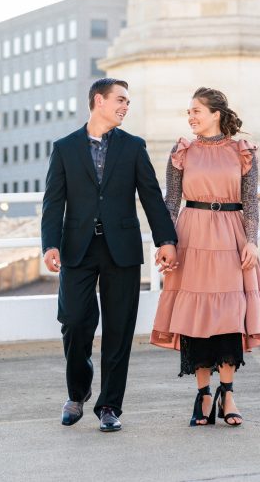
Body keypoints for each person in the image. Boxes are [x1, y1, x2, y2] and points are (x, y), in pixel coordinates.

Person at [41, 78, 178, 432]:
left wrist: (166, 239)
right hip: (77, 249)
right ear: (98, 101)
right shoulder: (65, 147)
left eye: (128, 101)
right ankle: (77, 392)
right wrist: (50, 244)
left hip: (122, 249)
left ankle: (110, 406)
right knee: (73, 321)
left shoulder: (133, 147)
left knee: (119, 328)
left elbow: (151, 195)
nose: (125, 106)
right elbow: (53, 201)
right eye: (120, 99)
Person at [150, 87, 260, 427]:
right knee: (196, 316)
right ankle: (204, 393)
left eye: (196, 111)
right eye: (188, 112)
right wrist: (166, 242)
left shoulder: (242, 151)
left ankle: (228, 392)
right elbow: (170, 202)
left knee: (230, 313)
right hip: (192, 235)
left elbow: (251, 202)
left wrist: (252, 241)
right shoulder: (182, 151)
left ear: (215, 113)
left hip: (232, 235)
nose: (190, 117)